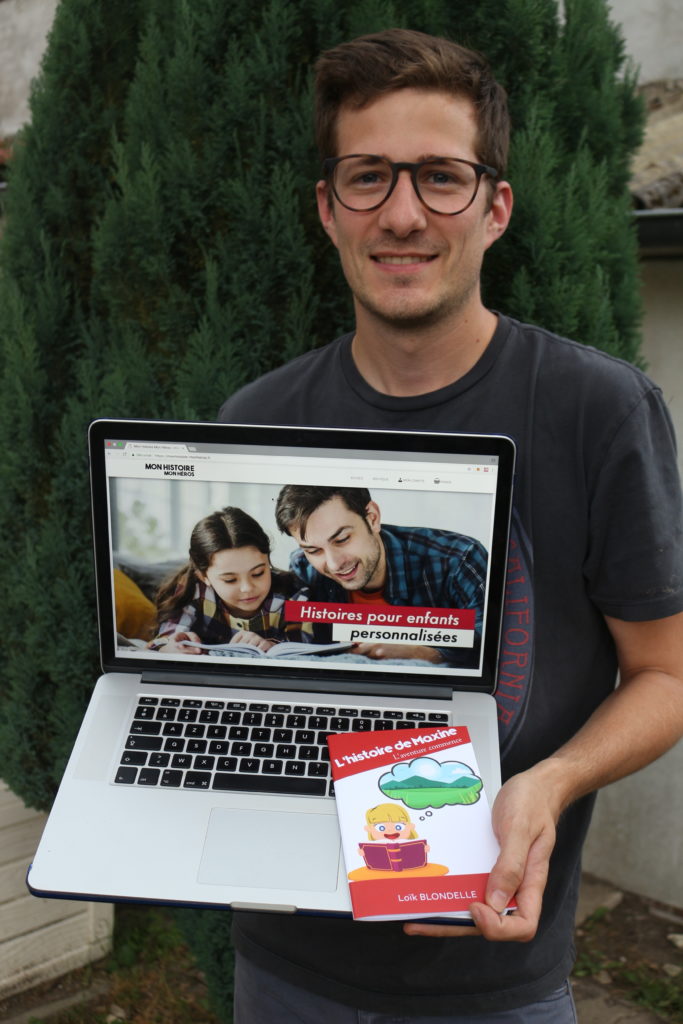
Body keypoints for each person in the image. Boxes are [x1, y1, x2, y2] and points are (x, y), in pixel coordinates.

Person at [218, 28, 683, 1023]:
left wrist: (552, 782)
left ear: (493, 206)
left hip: (492, 972)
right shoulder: (256, 417)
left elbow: (666, 673)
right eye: (367, 177)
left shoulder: (596, 410)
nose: (401, 214)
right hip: (283, 963)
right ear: (327, 208)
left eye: (439, 176)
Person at [274, 483, 487, 665]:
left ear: (372, 518)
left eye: (342, 539)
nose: (334, 564)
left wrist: (423, 653)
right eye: (313, 550)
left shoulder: (458, 558)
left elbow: (491, 638)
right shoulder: (305, 568)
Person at [148, 506, 311, 654]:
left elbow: (306, 649)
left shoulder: (296, 595)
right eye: (230, 580)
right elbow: (163, 640)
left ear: (268, 560)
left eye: (258, 573)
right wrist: (169, 646)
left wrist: (272, 646)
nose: (247, 588)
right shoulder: (192, 589)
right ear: (204, 577)